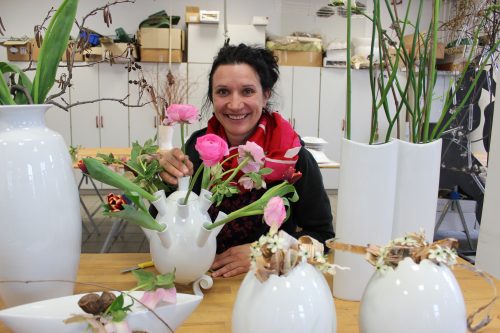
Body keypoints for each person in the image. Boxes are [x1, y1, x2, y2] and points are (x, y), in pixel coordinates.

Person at [158, 43, 334, 278]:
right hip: (205, 278)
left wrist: (265, 253)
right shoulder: (199, 146)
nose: (234, 104)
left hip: (268, 282)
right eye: (223, 92)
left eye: (247, 91)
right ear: (212, 96)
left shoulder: (292, 156)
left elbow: (323, 239)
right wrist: (164, 180)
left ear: (266, 95)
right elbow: (166, 222)